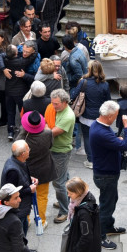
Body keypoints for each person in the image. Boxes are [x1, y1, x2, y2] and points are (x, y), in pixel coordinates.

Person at [89, 100, 127, 249]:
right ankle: (100, 236)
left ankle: (108, 227)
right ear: (109, 117)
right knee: (106, 206)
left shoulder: (98, 125)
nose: (117, 118)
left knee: (110, 201)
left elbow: (111, 141)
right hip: (106, 175)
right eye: (115, 115)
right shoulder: (101, 132)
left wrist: (116, 139)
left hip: (105, 172)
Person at [71, 61, 112, 169]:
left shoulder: (83, 82)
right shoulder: (105, 84)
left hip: (86, 115)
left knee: (87, 137)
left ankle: (91, 160)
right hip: (100, 116)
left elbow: (74, 95)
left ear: (89, 69)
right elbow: (108, 101)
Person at [19, 111, 56, 227]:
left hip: (27, 172)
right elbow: (50, 146)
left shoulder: (22, 139)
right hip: (44, 169)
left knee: (25, 196)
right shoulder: (48, 133)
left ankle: (27, 220)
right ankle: (41, 222)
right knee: (42, 196)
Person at [65, 177, 102, 252]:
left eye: (70, 193)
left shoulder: (83, 212)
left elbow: (86, 236)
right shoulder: (89, 197)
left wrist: (75, 251)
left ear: (78, 192)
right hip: (91, 249)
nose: (68, 195)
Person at [48, 89, 76, 224]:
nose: (54, 106)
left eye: (57, 104)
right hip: (55, 150)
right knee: (64, 178)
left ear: (65, 102)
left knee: (58, 182)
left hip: (61, 152)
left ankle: (65, 211)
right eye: (52, 103)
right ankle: (67, 199)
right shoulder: (57, 110)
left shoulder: (68, 116)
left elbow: (52, 133)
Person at [0, 140, 38, 236]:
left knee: (24, 226)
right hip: (18, 208)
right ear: (23, 154)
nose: (30, 150)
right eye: (28, 149)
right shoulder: (12, 170)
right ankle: (21, 249)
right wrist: (30, 189)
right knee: (19, 234)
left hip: (22, 207)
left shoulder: (17, 161)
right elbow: (11, 193)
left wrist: (30, 178)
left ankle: (24, 248)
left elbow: (20, 178)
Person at [2, 45, 30, 141]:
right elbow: (32, 57)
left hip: (9, 91)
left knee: (10, 112)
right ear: (16, 53)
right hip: (20, 92)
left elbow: (0, 56)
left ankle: (10, 132)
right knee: (22, 112)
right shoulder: (21, 62)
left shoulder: (5, 60)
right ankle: (23, 131)